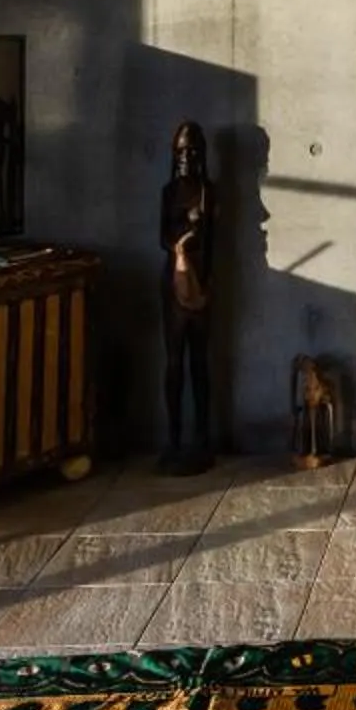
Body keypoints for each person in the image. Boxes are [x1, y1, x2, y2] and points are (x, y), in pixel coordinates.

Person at [158, 120, 215, 472]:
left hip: (202, 281)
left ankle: (202, 437)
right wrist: (183, 232)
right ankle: (174, 438)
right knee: (174, 362)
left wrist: (207, 284)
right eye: (181, 150)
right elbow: (161, 237)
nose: (186, 156)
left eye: (192, 150)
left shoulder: (210, 191)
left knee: (200, 363)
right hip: (174, 280)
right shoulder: (169, 192)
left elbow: (215, 246)